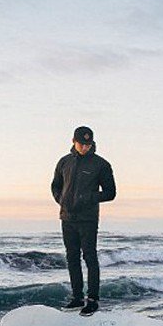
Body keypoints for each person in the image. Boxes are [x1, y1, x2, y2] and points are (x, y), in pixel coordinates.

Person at [51, 126, 116, 316]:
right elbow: (55, 185)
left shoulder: (101, 164)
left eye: (88, 144)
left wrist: (88, 198)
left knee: (90, 257)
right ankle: (77, 297)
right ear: (73, 141)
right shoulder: (64, 162)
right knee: (72, 257)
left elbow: (111, 193)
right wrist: (61, 200)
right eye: (82, 144)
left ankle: (93, 299)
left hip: (87, 219)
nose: (85, 147)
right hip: (67, 218)